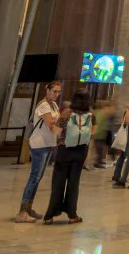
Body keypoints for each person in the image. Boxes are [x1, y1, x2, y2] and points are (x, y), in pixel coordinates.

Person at [44, 90, 93, 224]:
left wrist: (54, 125)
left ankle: (50, 215)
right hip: (81, 151)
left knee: (58, 182)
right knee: (74, 183)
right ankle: (72, 215)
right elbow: (92, 132)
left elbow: (56, 132)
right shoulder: (90, 114)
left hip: (65, 150)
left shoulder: (66, 113)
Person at [15, 81, 61, 222]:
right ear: (47, 90)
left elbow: (57, 122)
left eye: (58, 92)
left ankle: (29, 208)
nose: (56, 94)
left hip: (48, 144)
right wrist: (64, 134)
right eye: (54, 91)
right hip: (39, 144)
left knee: (38, 177)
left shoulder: (54, 105)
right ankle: (22, 212)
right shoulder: (43, 105)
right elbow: (50, 124)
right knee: (34, 177)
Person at [89, 98, 114, 170]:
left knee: (99, 149)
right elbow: (98, 123)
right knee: (98, 149)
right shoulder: (100, 113)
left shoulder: (99, 112)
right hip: (98, 134)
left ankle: (98, 162)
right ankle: (97, 163)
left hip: (100, 134)